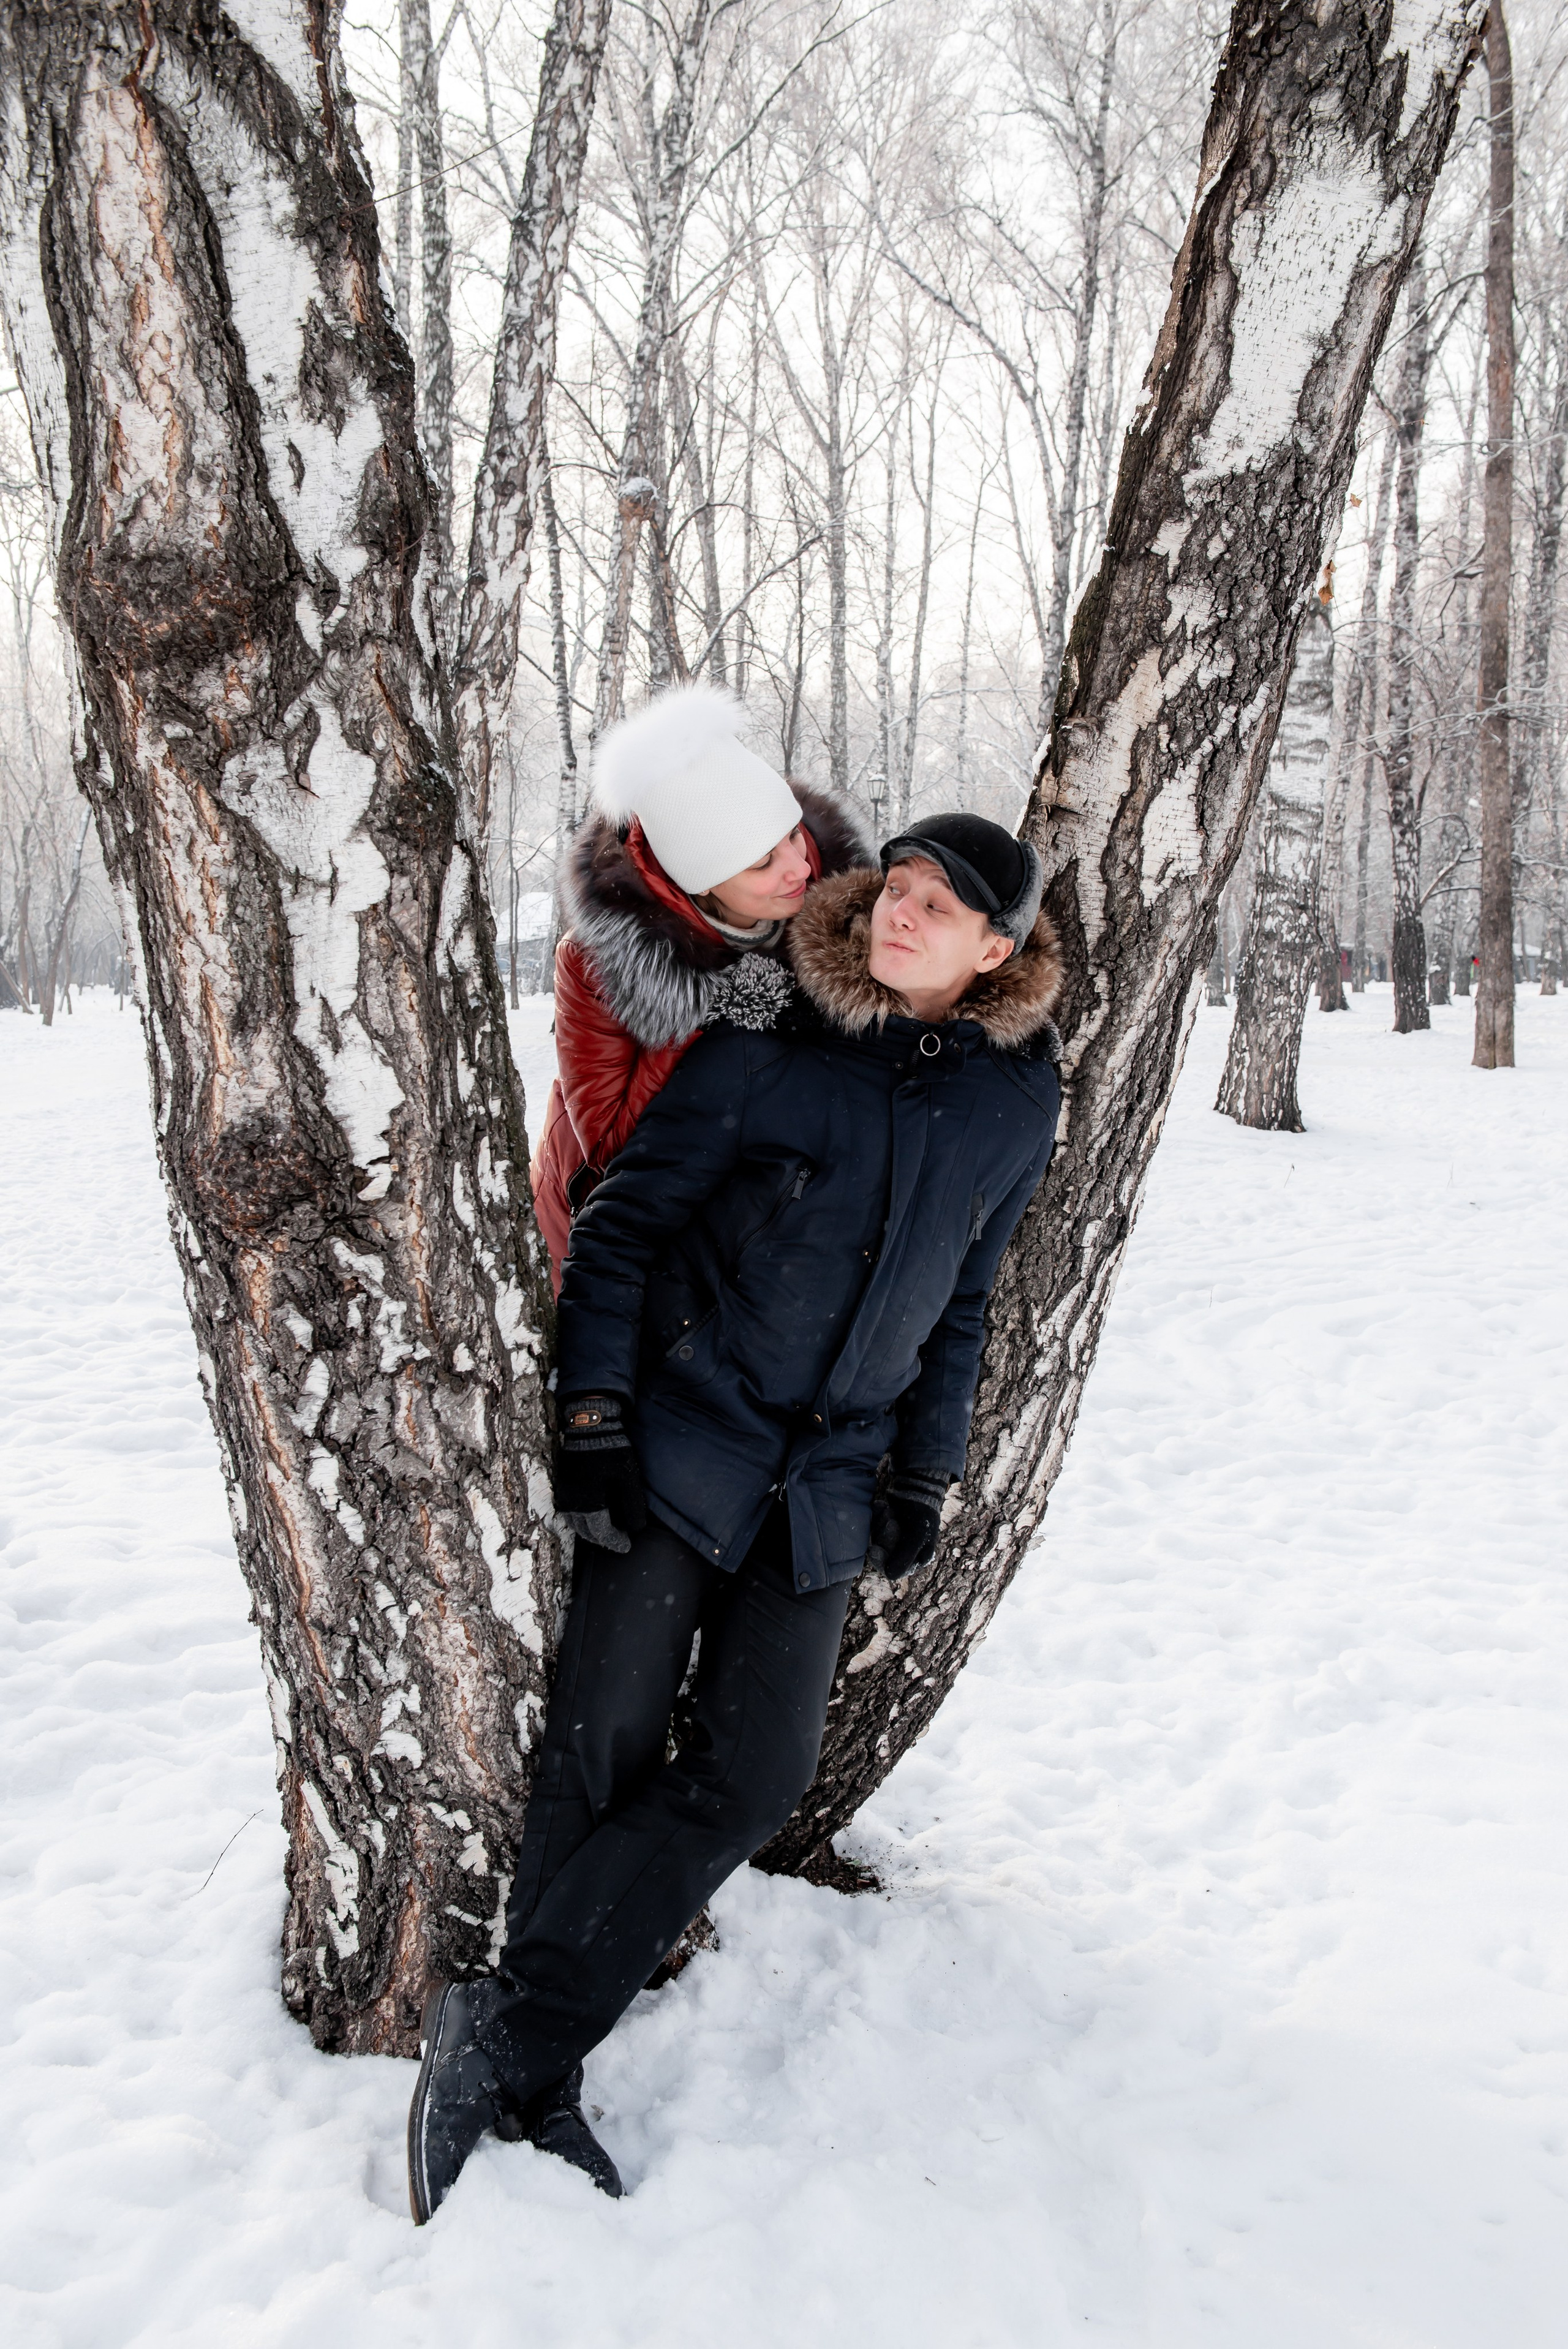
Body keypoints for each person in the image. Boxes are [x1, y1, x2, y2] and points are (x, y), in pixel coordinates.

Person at [407, 812, 1066, 2222]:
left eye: (940, 908)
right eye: (895, 889)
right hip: (678, 1441)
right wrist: (590, 1416)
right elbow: (625, 1223)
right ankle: (539, 2072)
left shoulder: (1015, 1101)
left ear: (995, 949)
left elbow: (962, 1301)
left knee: (759, 1769)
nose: (901, 914)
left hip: (825, 1482)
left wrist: (922, 1470)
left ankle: (507, 2032)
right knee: (604, 1745)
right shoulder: (768, 1035)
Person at [530, 684, 867, 1288]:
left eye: (792, 835)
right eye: (762, 862)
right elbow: (612, 1150)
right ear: (701, 883)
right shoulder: (597, 963)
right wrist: (715, 1009)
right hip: (611, 1232)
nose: (800, 866)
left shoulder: (834, 908)